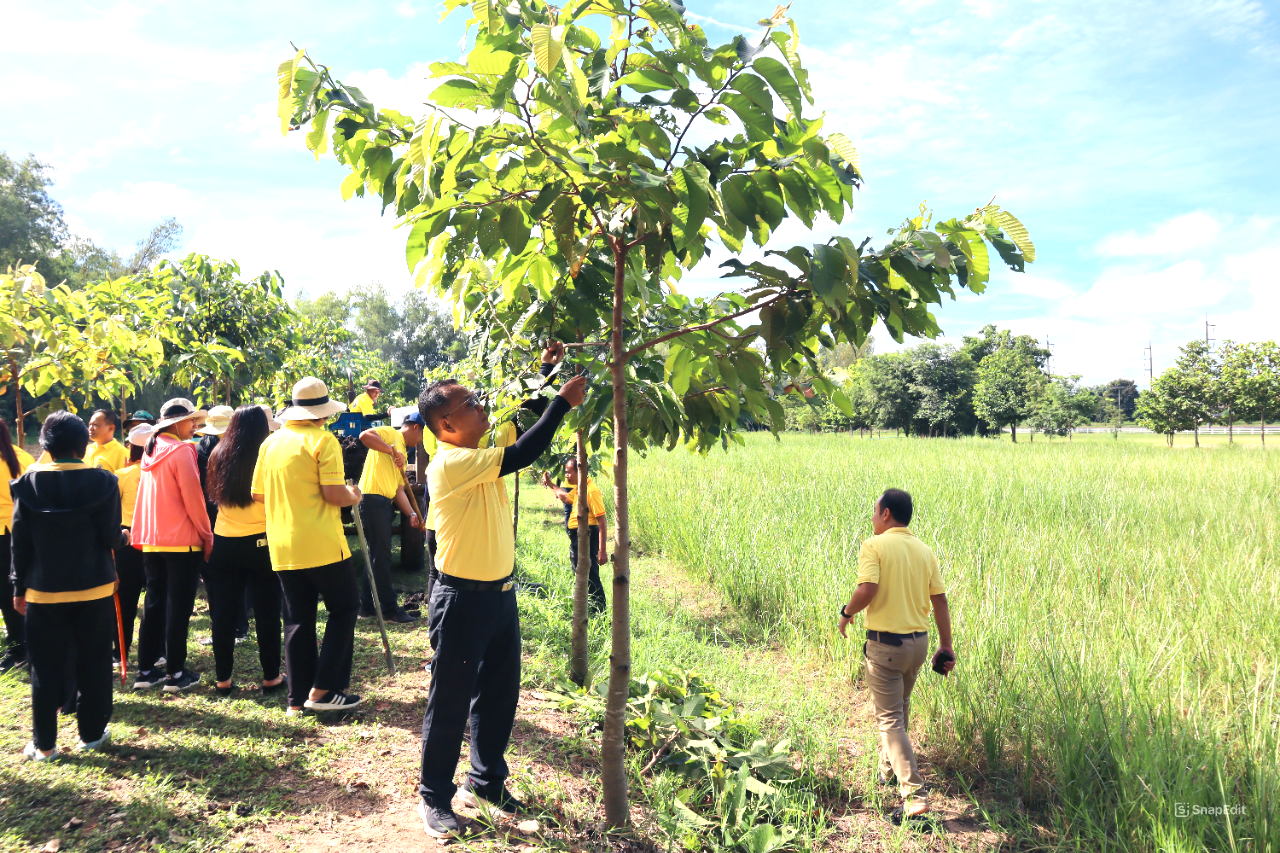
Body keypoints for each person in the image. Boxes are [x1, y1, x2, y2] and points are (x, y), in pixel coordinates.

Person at [414, 343, 585, 838]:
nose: (480, 406)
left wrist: (547, 371)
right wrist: (564, 403)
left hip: (498, 595)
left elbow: (523, 417)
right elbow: (529, 447)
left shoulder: (479, 450)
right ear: (446, 424)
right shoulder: (449, 463)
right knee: (450, 700)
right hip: (461, 599)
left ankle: (486, 782)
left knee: (498, 694)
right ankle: (435, 799)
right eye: (469, 404)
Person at [837, 488, 954, 823]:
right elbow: (940, 600)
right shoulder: (924, 550)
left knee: (889, 720)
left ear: (886, 514)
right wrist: (946, 645)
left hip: (886, 647)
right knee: (899, 710)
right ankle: (886, 770)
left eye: (874, 511)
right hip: (918, 645)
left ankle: (915, 798)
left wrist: (846, 613)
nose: (873, 517)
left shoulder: (874, 545)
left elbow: (867, 589)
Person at [10, 411, 122, 761]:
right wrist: (122, 537)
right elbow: (109, 537)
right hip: (94, 590)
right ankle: (91, 734)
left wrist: (17, 588)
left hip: (43, 592)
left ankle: (44, 745)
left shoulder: (27, 484)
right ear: (83, 443)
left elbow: (21, 544)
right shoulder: (104, 482)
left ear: (45, 446)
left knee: (44, 667)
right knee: (95, 661)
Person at [252, 377, 363, 715]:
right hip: (321, 542)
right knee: (344, 607)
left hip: (283, 544)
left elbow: (258, 494)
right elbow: (333, 494)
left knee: (297, 618)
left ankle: (296, 700)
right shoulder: (323, 441)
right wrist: (353, 494)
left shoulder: (271, 443)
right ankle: (324, 690)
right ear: (322, 414)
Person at [131, 398, 214, 693]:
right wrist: (207, 534)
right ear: (175, 424)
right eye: (191, 421)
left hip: (154, 540)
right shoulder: (182, 451)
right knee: (178, 608)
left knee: (153, 606)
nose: (195, 426)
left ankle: (145, 670)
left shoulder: (150, 452)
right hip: (182, 542)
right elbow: (194, 500)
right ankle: (176, 673)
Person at [206, 405, 284, 698]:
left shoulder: (217, 454)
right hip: (262, 542)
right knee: (267, 612)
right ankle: (271, 678)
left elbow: (213, 498)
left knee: (223, 615)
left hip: (225, 542)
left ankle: (223, 680)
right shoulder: (268, 454)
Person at [356, 412, 425, 623]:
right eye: (422, 434)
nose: (421, 441)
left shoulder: (402, 452)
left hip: (383, 503)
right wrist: (390, 450)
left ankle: (366, 607)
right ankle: (389, 609)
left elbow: (399, 491)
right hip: (371, 499)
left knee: (377, 555)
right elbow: (364, 436)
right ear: (415, 427)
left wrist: (412, 513)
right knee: (382, 556)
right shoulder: (390, 434)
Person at [542, 457, 608, 614]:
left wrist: (602, 550)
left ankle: (599, 611)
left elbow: (602, 520)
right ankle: (587, 608)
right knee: (581, 573)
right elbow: (566, 497)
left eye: (568, 472)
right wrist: (551, 484)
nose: (566, 475)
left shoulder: (591, 491)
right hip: (578, 537)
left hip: (586, 536)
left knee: (589, 575)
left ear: (581, 472)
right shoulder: (581, 489)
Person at [113, 424, 153, 667]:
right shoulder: (158, 472)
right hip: (156, 541)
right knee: (156, 600)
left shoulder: (120, 475)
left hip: (127, 541)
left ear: (131, 447)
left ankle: (121, 652)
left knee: (125, 601)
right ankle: (156, 652)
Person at [0, 420, 35, 673]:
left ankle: (18, 648)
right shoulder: (21, 456)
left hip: (4, 532)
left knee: (6, 594)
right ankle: (23, 643)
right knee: (16, 590)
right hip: (20, 530)